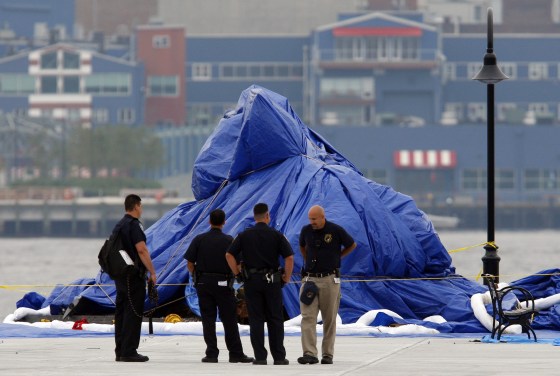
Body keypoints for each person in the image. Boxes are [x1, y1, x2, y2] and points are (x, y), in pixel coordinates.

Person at [225, 203, 294, 366]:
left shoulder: (244, 235)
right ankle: (278, 357)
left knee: (256, 319)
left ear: (254, 216)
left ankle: (260, 357)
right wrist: (287, 277)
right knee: (275, 318)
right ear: (267, 216)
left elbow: (229, 254)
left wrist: (237, 274)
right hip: (272, 281)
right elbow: (289, 257)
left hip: (252, 281)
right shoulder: (277, 235)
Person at [184, 209, 254, 364]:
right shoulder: (229, 240)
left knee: (208, 319)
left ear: (209, 221)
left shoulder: (199, 239)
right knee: (229, 319)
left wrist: (197, 275)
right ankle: (235, 353)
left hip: (203, 283)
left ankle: (211, 353)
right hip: (223, 283)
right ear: (224, 222)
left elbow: (189, 263)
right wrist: (237, 275)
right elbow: (238, 263)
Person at [297, 205, 356, 365]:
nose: (312, 222)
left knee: (329, 319)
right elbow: (302, 246)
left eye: (314, 219)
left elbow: (352, 244)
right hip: (310, 280)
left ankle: (327, 354)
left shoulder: (336, 230)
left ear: (323, 217)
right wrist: (308, 258)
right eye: (310, 219)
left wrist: (337, 257)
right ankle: (309, 353)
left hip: (329, 280)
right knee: (308, 317)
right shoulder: (306, 230)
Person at [113, 194, 157, 362]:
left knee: (122, 313)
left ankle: (120, 350)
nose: (141, 209)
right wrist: (152, 272)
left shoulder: (119, 226)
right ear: (137, 206)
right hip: (133, 276)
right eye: (141, 206)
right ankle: (129, 351)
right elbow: (141, 250)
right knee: (133, 312)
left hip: (120, 276)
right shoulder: (133, 226)